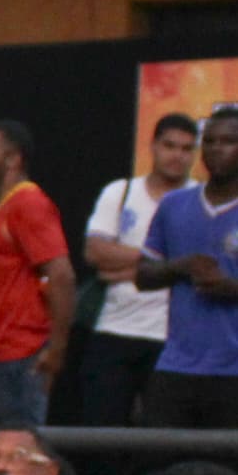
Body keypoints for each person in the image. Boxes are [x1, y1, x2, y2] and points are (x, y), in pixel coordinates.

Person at [136, 108, 238, 429]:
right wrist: (182, 266)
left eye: (228, 141)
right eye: (210, 141)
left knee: (233, 459)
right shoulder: (173, 206)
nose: (216, 149)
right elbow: (143, 276)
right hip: (177, 364)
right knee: (164, 457)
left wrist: (237, 287)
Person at [80, 114, 200, 425]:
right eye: (169, 146)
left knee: (163, 436)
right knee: (101, 432)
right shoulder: (120, 192)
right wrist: (166, 262)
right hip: (114, 329)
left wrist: (122, 269)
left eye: (186, 148)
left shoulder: (200, 201)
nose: (177, 155)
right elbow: (95, 252)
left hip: (174, 337)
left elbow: (198, 264)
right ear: (153, 146)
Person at [0, 123, 75, 431]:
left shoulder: (28, 203)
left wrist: (56, 350)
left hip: (20, 355)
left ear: (13, 159)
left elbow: (61, 276)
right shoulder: (7, 205)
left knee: (20, 451)